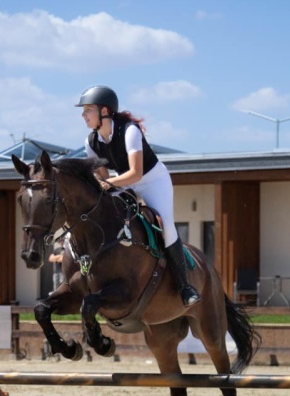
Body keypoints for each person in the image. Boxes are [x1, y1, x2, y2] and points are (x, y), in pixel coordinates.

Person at [75, 85, 199, 307]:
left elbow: (136, 172)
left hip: (152, 181)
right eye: (83, 111)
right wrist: (103, 186)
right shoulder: (91, 142)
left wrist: (107, 184)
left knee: (166, 225)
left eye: (88, 110)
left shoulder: (129, 130)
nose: (83, 115)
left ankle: (185, 286)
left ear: (104, 111)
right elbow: (103, 177)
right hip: (124, 182)